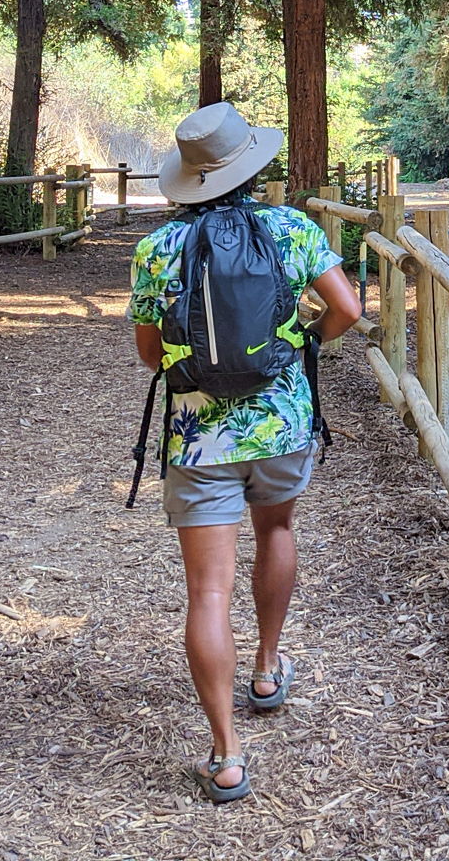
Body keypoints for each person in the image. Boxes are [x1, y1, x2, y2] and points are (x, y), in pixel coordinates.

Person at [129, 103, 360, 804]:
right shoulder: (292, 230)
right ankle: (265, 666)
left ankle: (226, 754)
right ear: (250, 168)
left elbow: (149, 356)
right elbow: (346, 311)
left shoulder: (157, 250)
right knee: (278, 530)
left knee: (207, 591)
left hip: (199, 436)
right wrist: (290, 345)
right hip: (283, 423)